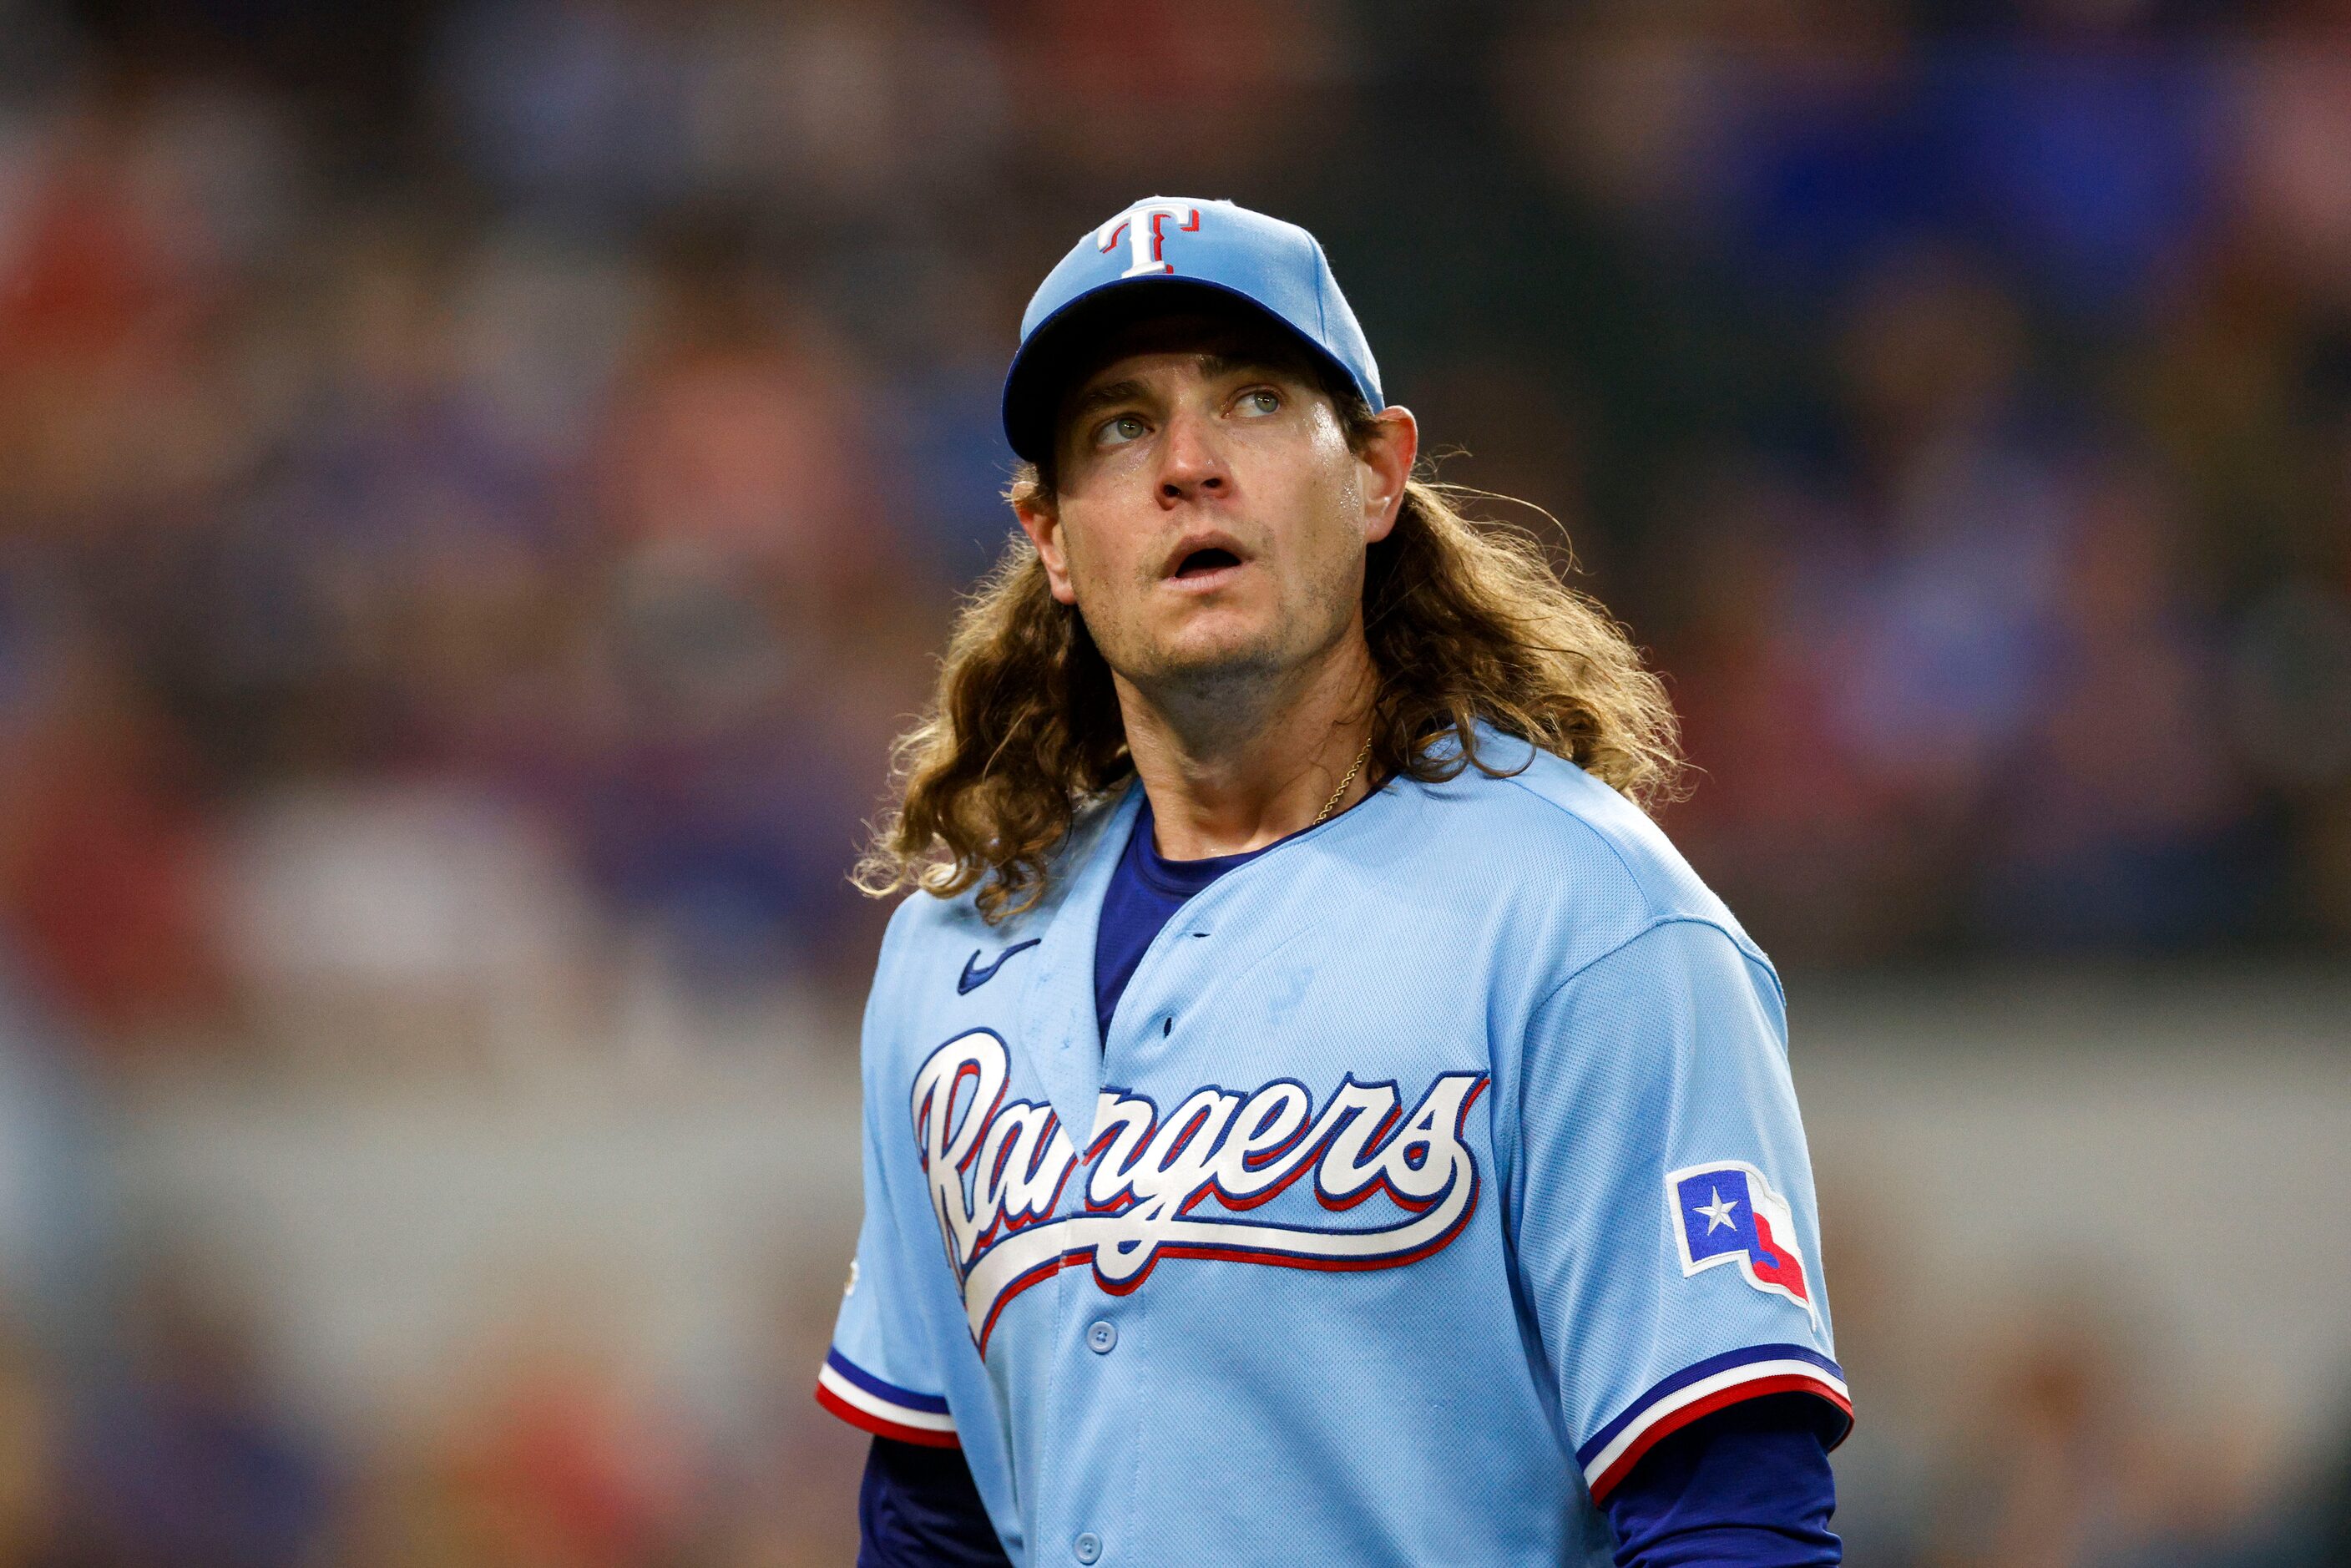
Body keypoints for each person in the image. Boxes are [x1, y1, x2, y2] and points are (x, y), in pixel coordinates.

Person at [821, 197, 1851, 1566]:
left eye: (1252, 400)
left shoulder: (1591, 923)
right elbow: (931, 1512)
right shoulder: (956, 948)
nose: (1188, 464)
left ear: (1377, 472)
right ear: (1052, 537)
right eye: (1118, 427)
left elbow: (1734, 1513)